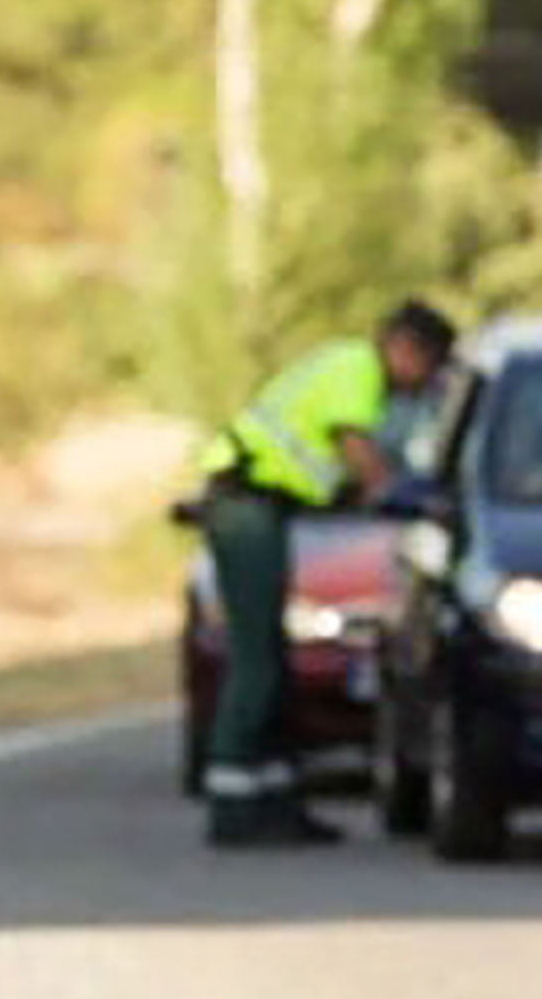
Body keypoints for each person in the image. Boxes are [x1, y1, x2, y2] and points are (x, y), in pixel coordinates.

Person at [196, 300, 457, 848]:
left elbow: (335, 467)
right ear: (406, 349)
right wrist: (401, 493)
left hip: (262, 509)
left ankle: (275, 797)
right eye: (428, 368)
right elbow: (357, 450)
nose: (424, 383)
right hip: (247, 507)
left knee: (271, 656)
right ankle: (233, 796)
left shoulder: (348, 366)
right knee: (257, 659)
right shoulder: (357, 370)